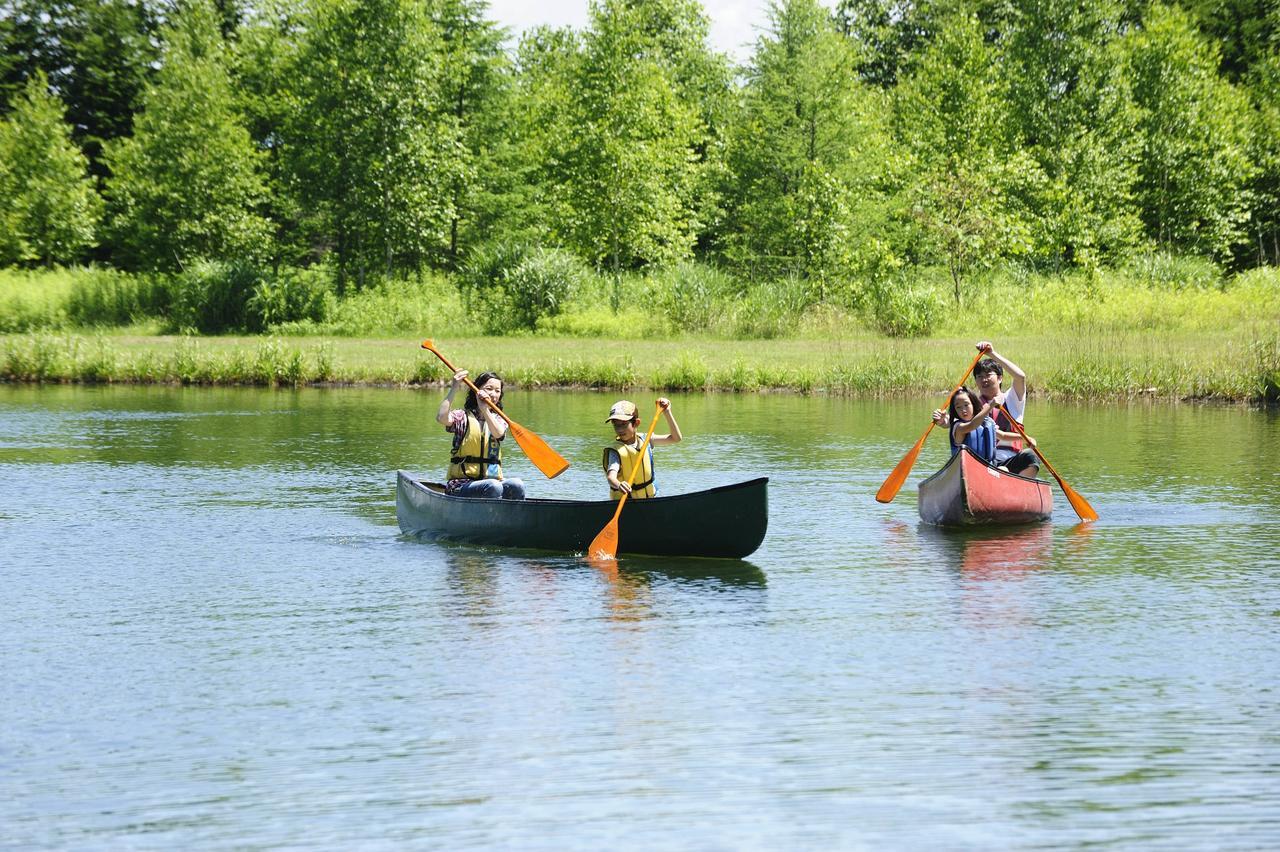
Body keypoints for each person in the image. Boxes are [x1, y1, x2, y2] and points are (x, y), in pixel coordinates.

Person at [934, 341, 1040, 477]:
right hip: (983, 460)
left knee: (1030, 457)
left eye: (988, 375)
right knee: (996, 469)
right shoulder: (973, 404)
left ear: (1000, 378)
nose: (984, 380)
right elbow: (959, 421)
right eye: (979, 377)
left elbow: (1020, 377)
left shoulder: (1012, 399)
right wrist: (943, 421)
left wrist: (992, 354)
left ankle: (1019, 486)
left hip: (1011, 460)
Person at [435, 369, 526, 499]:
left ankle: (514, 518)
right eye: (489, 389)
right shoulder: (462, 417)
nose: (493, 394)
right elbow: (441, 418)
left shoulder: (500, 419)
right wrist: (454, 387)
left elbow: (499, 434)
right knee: (493, 486)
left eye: (497, 391)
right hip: (461, 485)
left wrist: (485, 410)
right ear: (476, 391)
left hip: (493, 483)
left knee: (517, 484)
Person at [603, 398, 682, 499]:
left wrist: (667, 412)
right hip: (625, 502)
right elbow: (611, 477)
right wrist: (619, 485)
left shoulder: (646, 439)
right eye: (616, 425)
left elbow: (676, 438)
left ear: (636, 423)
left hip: (649, 499)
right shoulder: (616, 451)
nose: (619, 429)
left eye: (623, 424)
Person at [948, 387, 998, 461]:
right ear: (954, 410)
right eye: (958, 407)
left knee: (1004, 468)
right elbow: (972, 425)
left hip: (985, 466)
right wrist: (990, 406)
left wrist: (1020, 436)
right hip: (965, 465)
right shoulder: (959, 427)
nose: (963, 410)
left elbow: (1003, 436)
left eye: (966, 405)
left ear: (973, 404)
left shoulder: (984, 424)